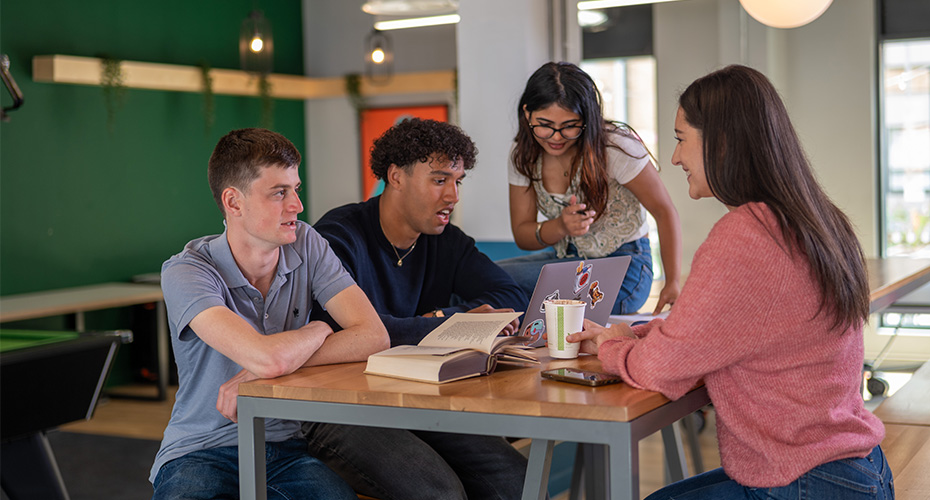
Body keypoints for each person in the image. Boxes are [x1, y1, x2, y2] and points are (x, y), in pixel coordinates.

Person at [568, 65, 892, 499]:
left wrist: (612, 346)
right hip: (851, 470)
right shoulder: (815, 218)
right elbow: (712, 332)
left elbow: (661, 369)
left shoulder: (746, 234)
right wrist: (637, 333)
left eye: (681, 139)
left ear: (720, 142)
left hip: (807, 482)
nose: (676, 158)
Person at [150, 128, 389, 500]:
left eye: (295, 189)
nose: (297, 205)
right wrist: (320, 327)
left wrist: (258, 372)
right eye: (280, 193)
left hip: (286, 448)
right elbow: (269, 358)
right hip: (200, 451)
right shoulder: (187, 271)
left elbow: (374, 335)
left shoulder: (307, 242)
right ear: (234, 202)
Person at [304, 117, 531, 500]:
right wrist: (449, 324)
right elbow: (344, 331)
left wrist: (439, 319)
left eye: (458, 181)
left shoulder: (445, 241)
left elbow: (511, 296)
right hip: (338, 408)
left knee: (519, 481)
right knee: (439, 492)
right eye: (440, 180)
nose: (453, 196)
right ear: (396, 177)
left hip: (412, 397)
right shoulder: (339, 235)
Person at [496, 61, 682, 315]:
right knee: (488, 277)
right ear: (527, 113)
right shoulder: (523, 155)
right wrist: (560, 227)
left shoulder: (615, 147)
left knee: (510, 291)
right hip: (568, 260)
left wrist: (672, 281)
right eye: (545, 124)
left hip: (626, 267)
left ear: (587, 118)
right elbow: (522, 234)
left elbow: (664, 211)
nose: (556, 136)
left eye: (570, 125)